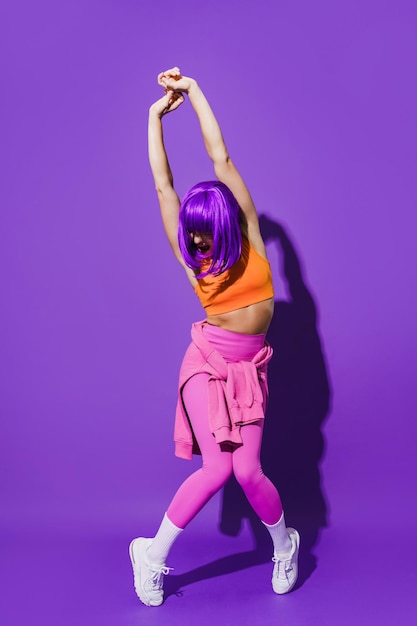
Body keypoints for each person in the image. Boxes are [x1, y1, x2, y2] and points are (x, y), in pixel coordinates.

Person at [129, 67, 300, 607]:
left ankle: (285, 545)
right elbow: (163, 185)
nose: (197, 239)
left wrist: (194, 91)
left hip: (251, 369)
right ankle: (152, 556)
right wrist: (154, 118)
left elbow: (220, 158)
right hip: (207, 363)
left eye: (204, 230)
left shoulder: (251, 242)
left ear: (227, 221)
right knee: (216, 468)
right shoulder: (193, 260)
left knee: (247, 472)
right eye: (192, 233)